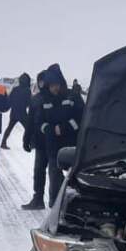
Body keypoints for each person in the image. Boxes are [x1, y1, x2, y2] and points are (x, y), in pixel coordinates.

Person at [37, 63, 84, 204]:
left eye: (56, 84)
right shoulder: (44, 99)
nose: (54, 88)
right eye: (51, 85)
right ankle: (54, 205)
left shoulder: (73, 96)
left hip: (71, 146)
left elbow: (82, 119)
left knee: (74, 178)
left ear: (61, 83)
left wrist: (64, 128)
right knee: (54, 177)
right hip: (53, 146)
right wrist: (49, 129)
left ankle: (73, 204)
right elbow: (39, 122)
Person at [20, 70, 49, 210]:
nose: (42, 83)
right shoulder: (35, 99)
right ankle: (38, 199)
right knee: (38, 171)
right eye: (40, 81)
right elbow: (30, 122)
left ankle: (57, 203)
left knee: (56, 174)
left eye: (44, 80)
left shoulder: (59, 97)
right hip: (40, 143)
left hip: (57, 144)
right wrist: (26, 140)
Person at [1, 73, 32, 150]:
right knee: (28, 129)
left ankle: (3, 143)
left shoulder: (15, 89)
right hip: (23, 113)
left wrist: (8, 107)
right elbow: (29, 103)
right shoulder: (27, 90)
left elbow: (10, 100)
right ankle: (28, 143)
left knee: (9, 128)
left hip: (14, 113)